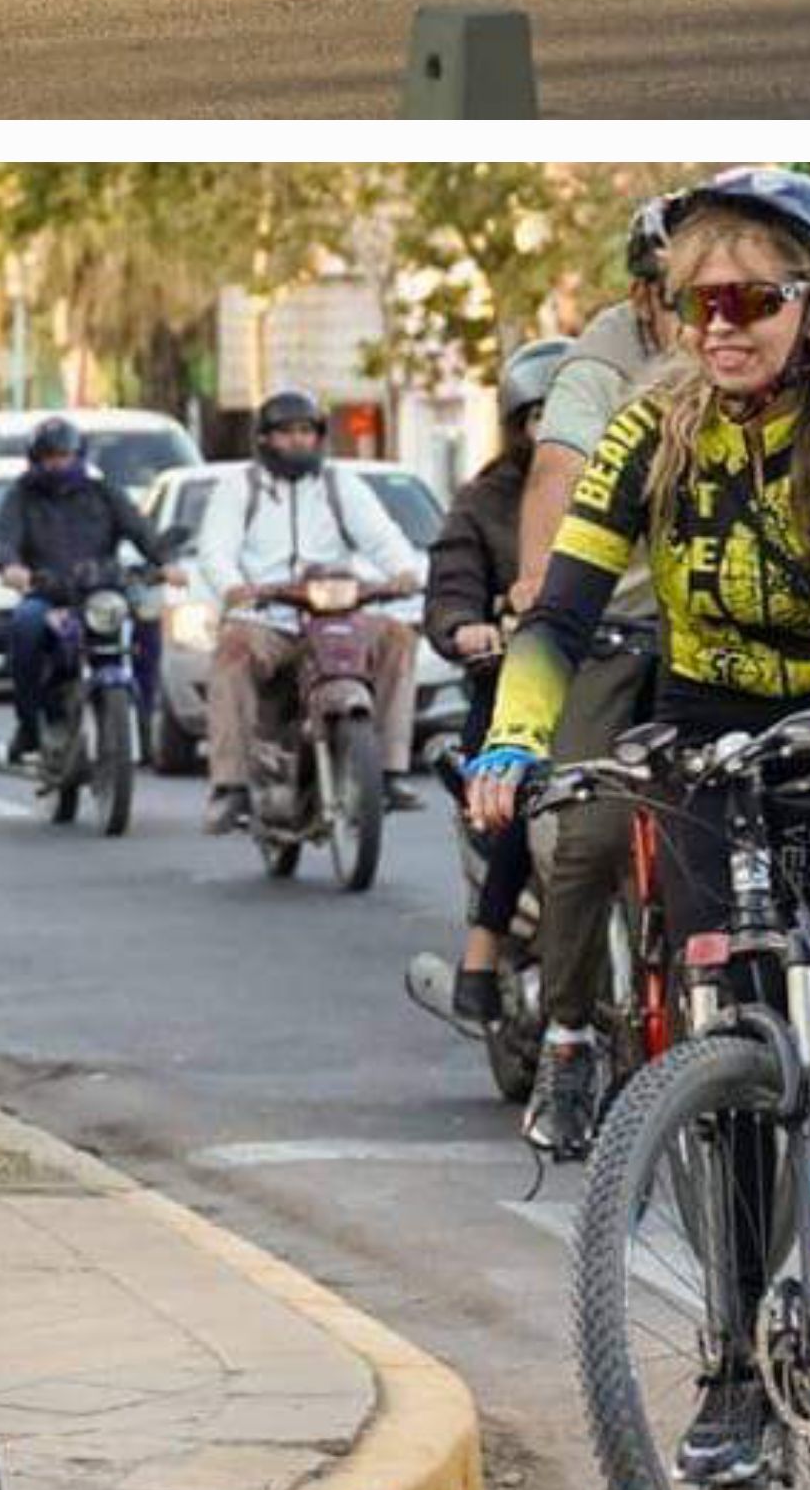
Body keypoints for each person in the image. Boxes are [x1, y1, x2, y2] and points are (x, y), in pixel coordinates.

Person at [467, 173, 810, 1248]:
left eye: (754, 301)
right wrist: (514, 737)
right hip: (711, 705)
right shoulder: (646, 434)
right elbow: (562, 612)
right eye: (698, 304)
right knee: (716, 981)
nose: (720, 328)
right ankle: (740, 1344)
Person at [507, 196, 675, 1158]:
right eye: (686, 298)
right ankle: (568, 1037)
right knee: (593, 827)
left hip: (723, 628)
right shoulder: (603, 363)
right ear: (644, 295)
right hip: (612, 617)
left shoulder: (775, 351)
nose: (712, 322)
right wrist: (541, 584)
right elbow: (559, 468)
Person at [414, 339, 571, 1029]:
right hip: (515, 687)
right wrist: (465, 628)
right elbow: (450, 590)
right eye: (539, 415)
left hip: (619, 680)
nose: (554, 430)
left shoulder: (625, 488)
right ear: (517, 423)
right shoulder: (482, 503)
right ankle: (481, 956)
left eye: (567, 414)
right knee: (523, 789)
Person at [195, 390, 429, 832]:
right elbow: (215, 551)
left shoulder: (341, 485)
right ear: (264, 439)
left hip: (337, 616)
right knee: (231, 651)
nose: (298, 441)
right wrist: (234, 588)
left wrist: (402, 571)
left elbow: (384, 537)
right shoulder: (238, 488)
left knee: (398, 637)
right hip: (267, 617)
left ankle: (392, 771)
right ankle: (231, 787)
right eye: (286, 433)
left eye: (306, 431)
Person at [0, 418, 179, 775]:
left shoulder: (104, 492)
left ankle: (145, 716)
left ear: (79, 455)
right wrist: (12, 567)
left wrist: (165, 562)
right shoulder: (21, 495)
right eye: (51, 457)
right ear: (36, 459)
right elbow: (3, 540)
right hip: (49, 593)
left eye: (66, 455)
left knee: (148, 615)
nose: (59, 463)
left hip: (102, 593)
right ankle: (29, 726)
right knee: (25, 624)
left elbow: (140, 530)